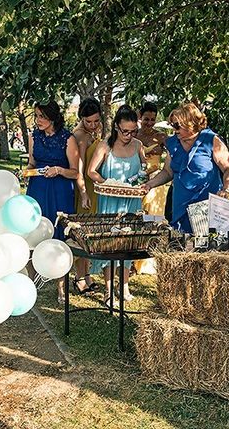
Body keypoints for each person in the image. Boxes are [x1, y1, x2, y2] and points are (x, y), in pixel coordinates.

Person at [25, 101, 90, 304]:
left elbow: (75, 171)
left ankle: (61, 286)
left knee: (58, 234)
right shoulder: (33, 136)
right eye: (36, 116)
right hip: (37, 188)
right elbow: (32, 163)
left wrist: (59, 170)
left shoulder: (67, 139)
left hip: (60, 190)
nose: (38, 121)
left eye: (42, 116)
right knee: (33, 229)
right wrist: (27, 171)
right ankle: (32, 280)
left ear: (53, 118)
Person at [143, 102, 229, 233]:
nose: (174, 129)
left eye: (177, 125)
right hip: (180, 205)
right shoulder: (172, 142)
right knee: (180, 242)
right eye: (172, 125)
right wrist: (150, 184)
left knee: (206, 244)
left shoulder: (211, 140)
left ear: (190, 123)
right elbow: (167, 172)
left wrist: (226, 189)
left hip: (205, 205)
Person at [88, 105, 146, 304]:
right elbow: (91, 172)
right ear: (116, 127)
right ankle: (108, 289)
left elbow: (145, 170)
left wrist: (142, 179)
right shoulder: (105, 146)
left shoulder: (138, 146)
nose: (129, 135)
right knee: (110, 243)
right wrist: (108, 184)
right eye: (125, 131)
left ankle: (125, 284)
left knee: (128, 242)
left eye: (133, 131)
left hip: (132, 201)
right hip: (110, 200)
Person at [71, 97, 103, 294]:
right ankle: (79, 277)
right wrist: (83, 193)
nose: (92, 125)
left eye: (96, 121)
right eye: (88, 121)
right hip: (84, 188)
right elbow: (79, 170)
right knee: (83, 234)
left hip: (94, 186)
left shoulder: (93, 133)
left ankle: (87, 274)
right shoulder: (80, 137)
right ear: (81, 118)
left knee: (90, 232)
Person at [136, 101, 167, 216]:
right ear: (140, 117)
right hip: (137, 177)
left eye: (152, 119)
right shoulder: (134, 135)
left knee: (153, 213)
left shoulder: (161, 137)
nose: (149, 123)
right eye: (146, 119)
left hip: (155, 179)